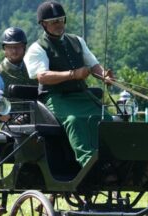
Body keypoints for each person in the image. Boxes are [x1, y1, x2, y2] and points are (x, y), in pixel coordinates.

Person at [24, 1, 115, 168]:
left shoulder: (77, 41)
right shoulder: (38, 48)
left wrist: (103, 76)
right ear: (44, 24)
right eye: (54, 22)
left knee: (106, 119)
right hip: (56, 97)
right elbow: (42, 76)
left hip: (82, 95)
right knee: (74, 121)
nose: (59, 25)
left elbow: (93, 64)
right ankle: (88, 163)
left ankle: (111, 160)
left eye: (61, 20)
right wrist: (73, 74)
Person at [0, 27, 36, 112]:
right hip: (12, 123)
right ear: (4, 49)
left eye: (18, 46)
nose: (14, 51)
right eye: (10, 47)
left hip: (39, 119)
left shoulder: (33, 68)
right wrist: (3, 115)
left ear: (24, 47)